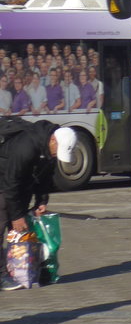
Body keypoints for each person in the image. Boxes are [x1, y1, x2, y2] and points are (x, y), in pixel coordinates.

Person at [0, 120, 77, 291]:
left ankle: (17, 270)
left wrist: (41, 201)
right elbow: (11, 182)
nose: (57, 155)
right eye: (58, 151)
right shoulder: (26, 147)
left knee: (18, 232)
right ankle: (1, 276)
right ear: (52, 140)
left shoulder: (48, 149)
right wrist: (17, 216)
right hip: (4, 180)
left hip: (18, 184)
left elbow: (44, 176)